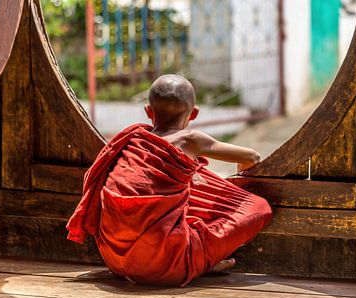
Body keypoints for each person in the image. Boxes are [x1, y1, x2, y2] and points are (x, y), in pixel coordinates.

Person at [67, 74, 272, 286]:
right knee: (259, 207)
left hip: (116, 259)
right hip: (165, 267)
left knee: (192, 184)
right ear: (194, 114)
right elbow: (252, 157)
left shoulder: (132, 141)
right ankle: (202, 262)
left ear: (148, 111)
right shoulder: (190, 140)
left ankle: (198, 257)